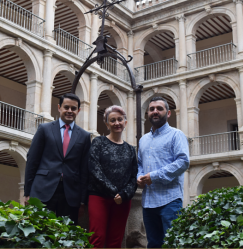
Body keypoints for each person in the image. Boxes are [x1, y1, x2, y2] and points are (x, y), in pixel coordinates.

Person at [24, 93, 91, 225]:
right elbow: (32, 161)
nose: (70, 111)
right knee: (39, 231)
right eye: (66, 107)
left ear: (79, 110)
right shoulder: (45, 129)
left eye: (73, 108)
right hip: (43, 189)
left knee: (66, 235)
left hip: (70, 194)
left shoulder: (84, 136)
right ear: (59, 107)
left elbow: (85, 170)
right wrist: (27, 192)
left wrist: (83, 201)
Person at [137, 96, 189, 248]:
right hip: (148, 202)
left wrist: (154, 176)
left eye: (159, 109)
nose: (155, 112)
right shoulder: (143, 140)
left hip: (170, 200)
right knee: (153, 244)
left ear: (168, 113)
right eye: (152, 109)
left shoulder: (176, 135)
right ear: (147, 113)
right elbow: (140, 164)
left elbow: (183, 162)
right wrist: (138, 177)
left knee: (173, 243)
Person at [88, 105, 138, 248]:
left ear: (125, 123)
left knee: (116, 241)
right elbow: (94, 168)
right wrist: (114, 190)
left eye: (120, 119)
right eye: (113, 120)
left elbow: (134, 176)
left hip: (122, 200)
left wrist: (124, 194)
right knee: (97, 237)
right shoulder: (99, 142)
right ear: (107, 124)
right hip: (99, 196)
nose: (117, 123)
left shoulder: (130, 149)